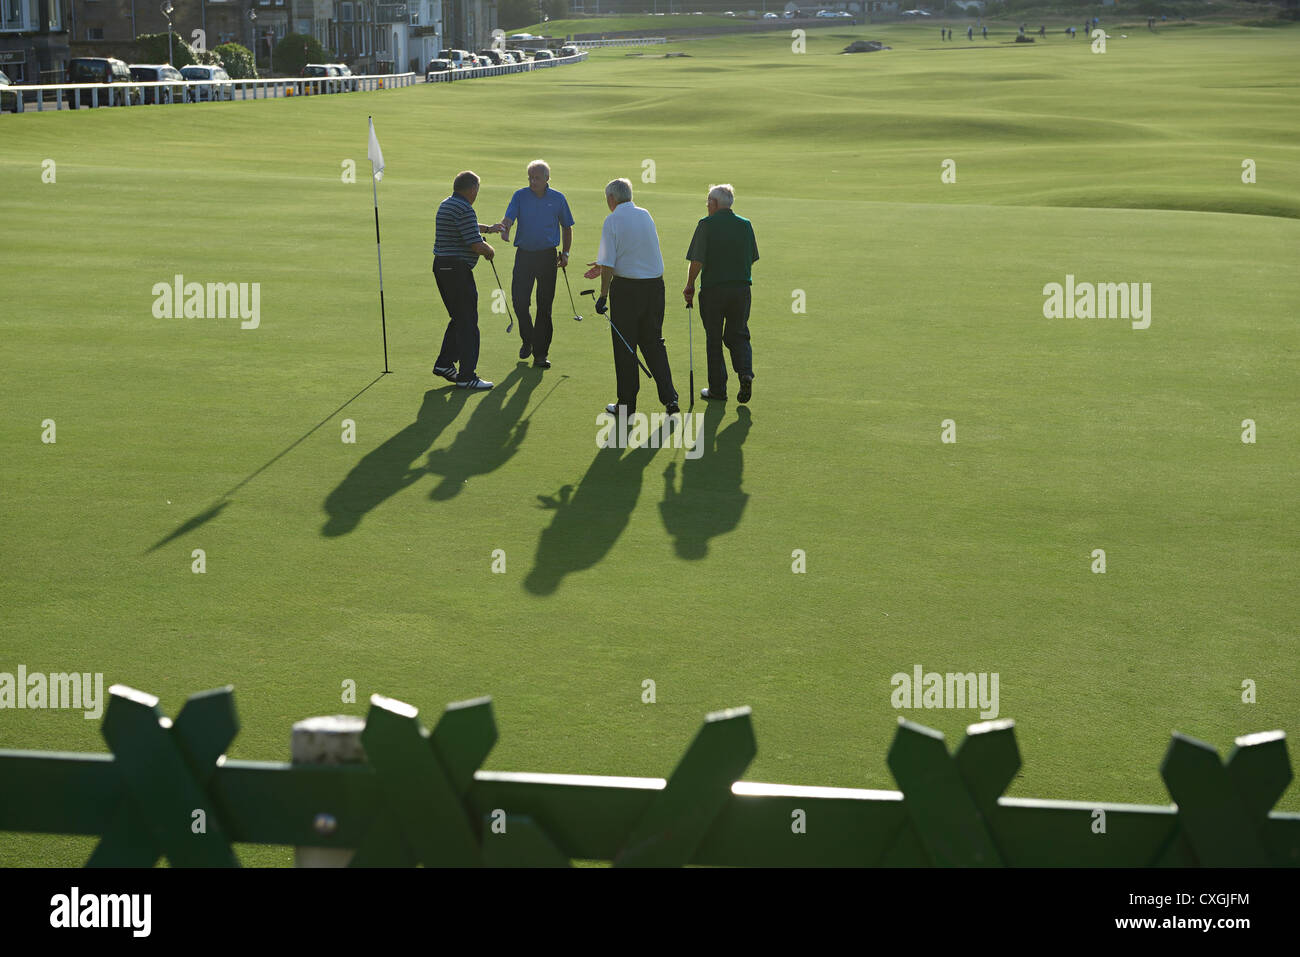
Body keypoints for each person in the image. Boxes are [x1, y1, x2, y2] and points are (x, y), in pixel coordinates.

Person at [584, 178, 679, 420]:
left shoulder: (612, 219)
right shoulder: (645, 214)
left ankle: (626, 407)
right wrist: (606, 266)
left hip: (627, 290)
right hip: (655, 286)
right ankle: (670, 399)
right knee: (654, 343)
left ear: (611, 199)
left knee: (625, 347)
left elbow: (608, 263)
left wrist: (603, 295)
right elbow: (634, 250)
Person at [683, 184, 758, 404]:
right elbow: (752, 257)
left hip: (714, 290)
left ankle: (718, 389)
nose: (707, 205)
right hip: (741, 289)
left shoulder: (706, 225)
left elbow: (697, 260)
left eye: (708, 202)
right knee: (738, 333)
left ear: (714, 204)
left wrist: (689, 284)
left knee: (714, 339)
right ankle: (745, 373)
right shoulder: (745, 225)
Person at [496, 159, 575, 370]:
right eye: (530, 178)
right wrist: (505, 228)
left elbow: (567, 227)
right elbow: (509, 216)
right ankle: (528, 339)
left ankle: (541, 353)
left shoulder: (558, 198)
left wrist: (566, 253)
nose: (533, 181)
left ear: (547, 178)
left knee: (544, 306)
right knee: (520, 302)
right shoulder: (520, 195)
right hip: (524, 256)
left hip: (547, 257)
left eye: (537, 178)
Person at [431, 170, 499, 391]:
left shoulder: (448, 204)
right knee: (468, 322)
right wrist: (490, 249)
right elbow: (476, 245)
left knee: (459, 317)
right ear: (472, 189)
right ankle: (467, 375)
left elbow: (467, 228)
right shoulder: (464, 208)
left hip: (441, 266)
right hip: (456, 270)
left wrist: (489, 229)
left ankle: (444, 364)